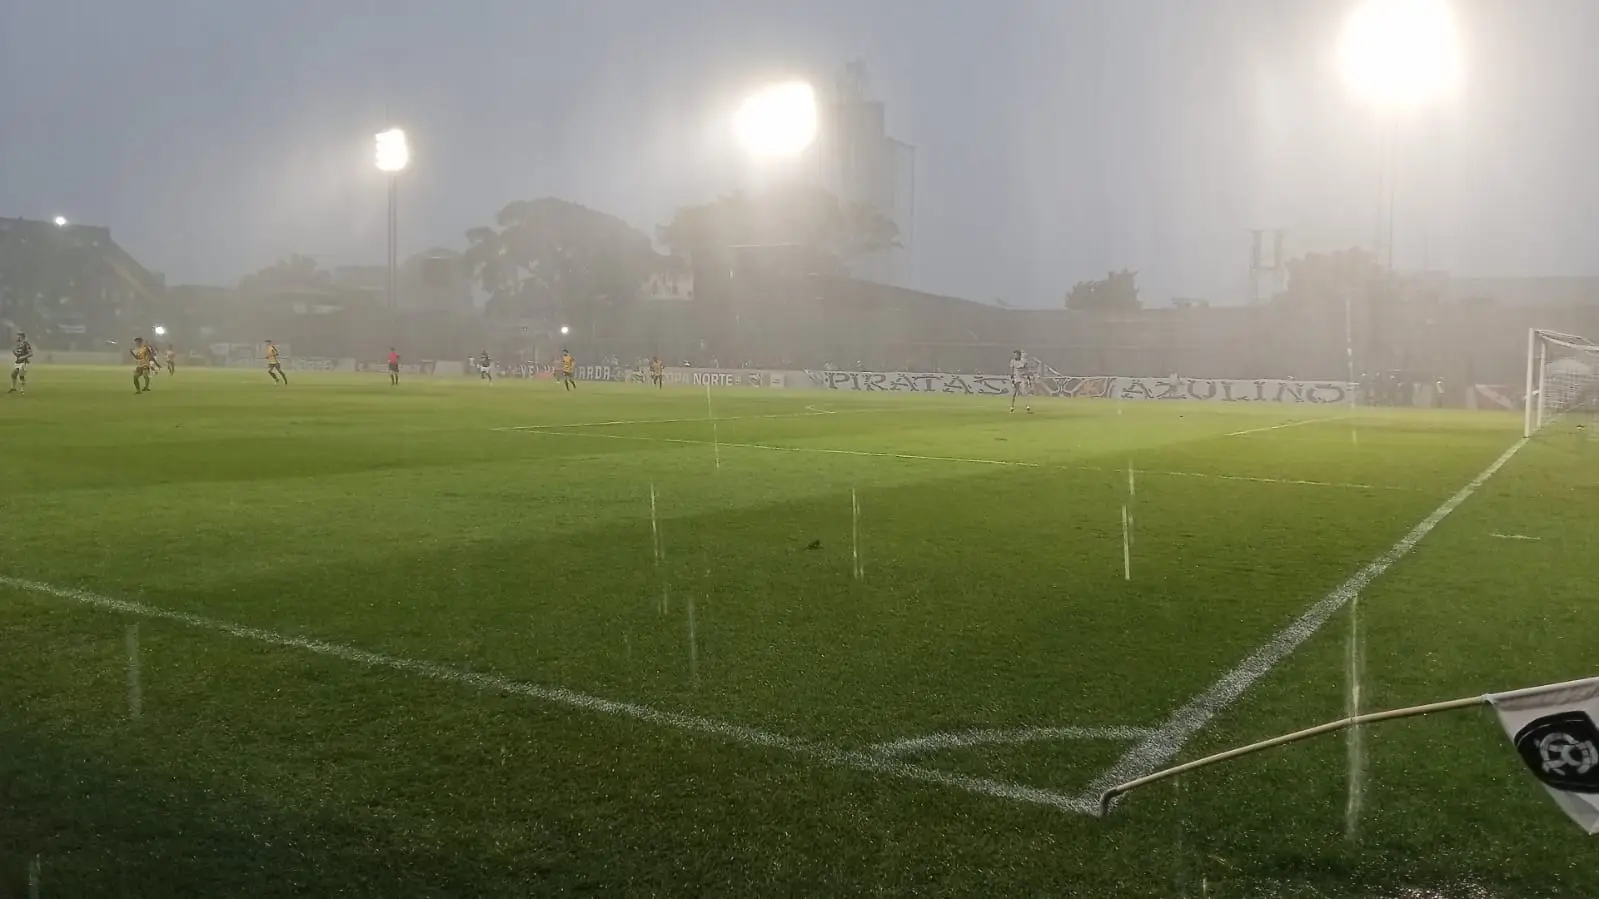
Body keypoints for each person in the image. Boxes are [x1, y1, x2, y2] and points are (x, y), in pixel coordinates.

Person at [1009, 349, 1034, 414]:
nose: (1015, 356)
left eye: (1016, 355)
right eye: (1014, 355)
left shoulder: (1024, 361)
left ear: (1019, 355)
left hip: (1022, 378)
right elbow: (1011, 371)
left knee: (1024, 392)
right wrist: (1012, 379)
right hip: (1016, 378)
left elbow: (1027, 370)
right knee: (1014, 393)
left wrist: (1028, 378)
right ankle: (1012, 406)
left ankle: (1027, 406)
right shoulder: (1012, 361)